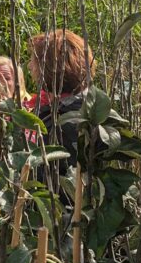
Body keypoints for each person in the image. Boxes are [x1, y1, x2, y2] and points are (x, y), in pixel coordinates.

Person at [24, 29, 94, 168]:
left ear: (49, 67)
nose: (30, 66)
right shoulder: (92, 107)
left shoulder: (62, 122)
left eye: (34, 61)